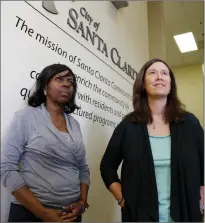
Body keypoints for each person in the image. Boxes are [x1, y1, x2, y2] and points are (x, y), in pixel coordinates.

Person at [100, 58, 204, 222]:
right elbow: (107, 167)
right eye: (153, 73)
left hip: (186, 215)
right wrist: (121, 198)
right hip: (139, 216)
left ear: (170, 84)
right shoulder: (128, 125)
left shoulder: (189, 123)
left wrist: (202, 199)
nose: (159, 77)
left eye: (164, 73)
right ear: (143, 83)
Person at [1, 64, 90, 222]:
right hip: (30, 215)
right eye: (59, 79)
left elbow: (83, 168)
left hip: (70, 216)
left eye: (71, 82)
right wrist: (44, 213)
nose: (66, 84)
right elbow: (6, 167)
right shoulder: (26, 117)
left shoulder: (75, 125)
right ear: (45, 86)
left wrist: (82, 203)